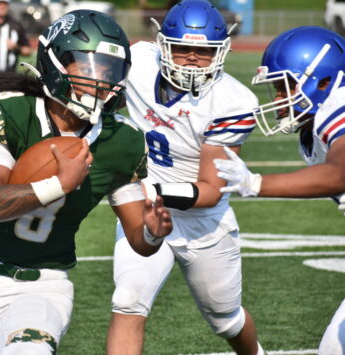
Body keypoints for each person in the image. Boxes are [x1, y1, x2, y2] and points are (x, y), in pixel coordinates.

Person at [0, 9, 173, 354]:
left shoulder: (121, 140)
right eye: (88, 67)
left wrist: (153, 232)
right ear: (54, 63)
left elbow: (140, 240)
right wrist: (59, 184)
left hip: (44, 285)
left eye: (109, 71)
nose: (101, 80)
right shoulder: (11, 111)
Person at [106, 1, 265, 354]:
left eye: (203, 51)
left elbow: (209, 190)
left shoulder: (232, 101)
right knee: (128, 299)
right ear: (163, 45)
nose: (192, 58)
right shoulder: (140, 62)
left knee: (226, 319)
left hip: (202, 222)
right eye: (182, 48)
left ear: (220, 53)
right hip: (146, 207)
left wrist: (145, 189)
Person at [213, 26, 345, 355]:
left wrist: (256, 183)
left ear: (323, 80)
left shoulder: (337, 106)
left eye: (284, 87)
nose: (278, 100)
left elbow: (341, 173)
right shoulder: (315, 128)